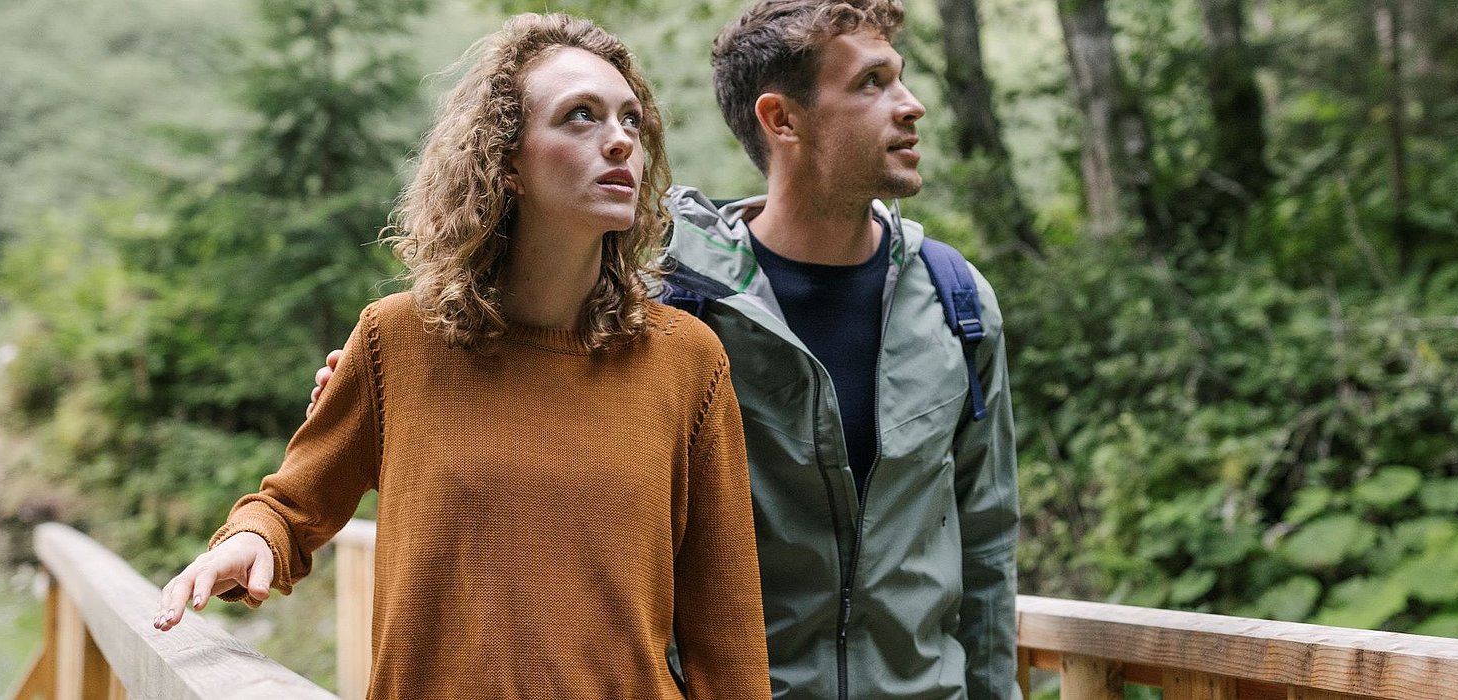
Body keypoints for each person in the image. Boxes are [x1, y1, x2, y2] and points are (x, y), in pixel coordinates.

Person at [313, 2, 1019, 697]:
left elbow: (986, 543)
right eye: (872, 82)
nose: (911, 104)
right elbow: (515, 358)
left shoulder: (954, 303)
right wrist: (384, 390)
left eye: (631, 121)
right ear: (781, 119)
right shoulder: (675, 306)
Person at [156, 13, 769, 699]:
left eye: (631, 119)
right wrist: (254, 543)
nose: (621, 140)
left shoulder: (687, 361)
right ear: (507, 162)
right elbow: (293, 505)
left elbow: (727, 632)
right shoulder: (397, 341)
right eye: (581, 117)